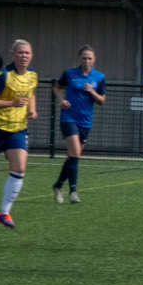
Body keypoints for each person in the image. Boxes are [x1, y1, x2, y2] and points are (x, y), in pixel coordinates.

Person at [0, 38, 40, 227]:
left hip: (17, 130)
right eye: (20, 53)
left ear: (31, 56)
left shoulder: (32, 76)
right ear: (13, 55)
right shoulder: (3, 75)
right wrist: (12, 103)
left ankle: (4, 213)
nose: (24, 56)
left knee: (19, 168)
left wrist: (32, 109)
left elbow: (30, 93)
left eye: (27, 53)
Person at [51, 45, 106, 204]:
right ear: (79, 59)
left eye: (90, 58)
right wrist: (62, 100)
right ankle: (73, 192)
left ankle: (58, 185)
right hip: (69, 117)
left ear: (94, 60)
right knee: (74, 152)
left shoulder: (99, 77)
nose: (87, 61)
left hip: (85, 121)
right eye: (84, 58)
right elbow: (57, 86)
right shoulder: (69, 73)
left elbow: (102, 100)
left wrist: (92, 92)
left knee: (73, 157)